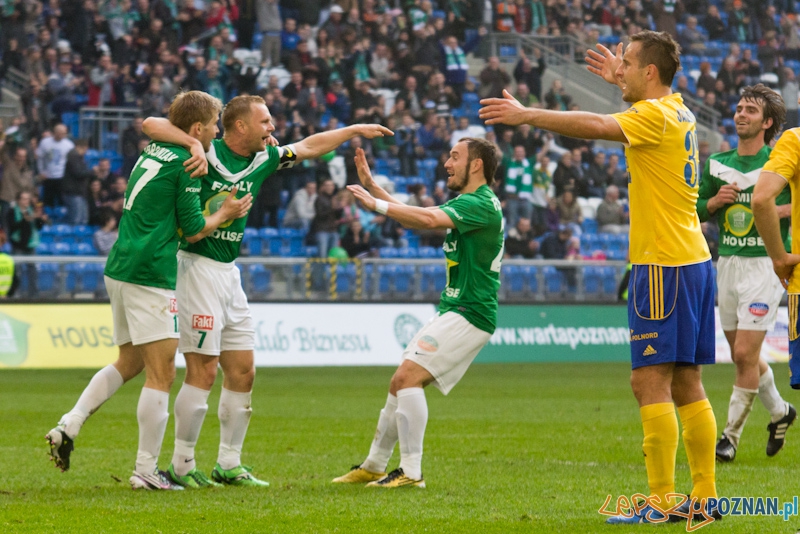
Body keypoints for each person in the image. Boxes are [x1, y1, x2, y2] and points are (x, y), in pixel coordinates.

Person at [480, 31, 719, 522]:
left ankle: (661, 503)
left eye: (628, 63)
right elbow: (638, 109)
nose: (620, 69)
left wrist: (529, 115)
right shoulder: (680, 111)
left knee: (647, 381)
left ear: (649, 73)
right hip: (694, 260)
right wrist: (621, 82)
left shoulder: (651, 116)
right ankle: (704, 498)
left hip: (662, 267)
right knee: (687, 383)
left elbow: (593, 124)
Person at [141, 95, 392, 488]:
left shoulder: (264, 159)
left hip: (228, 273)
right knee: (203, 371)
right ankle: (183, 465)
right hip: (194, 267)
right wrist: (192, 144)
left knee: (243, 371)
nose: (272, 129)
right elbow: (153, 124)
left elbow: (308, 146)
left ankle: (229, 463)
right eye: (266, 122)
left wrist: (353, 130)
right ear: (239, 126)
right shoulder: (204, 150)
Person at [45, 91, 254, 492]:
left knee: (129, 362)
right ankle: (146, 470)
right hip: (150, 272)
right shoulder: (187, 165)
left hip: (120, 266)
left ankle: (70, 423)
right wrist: (225, 213)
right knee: (161, 373)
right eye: (213, 126)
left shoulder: (157, 147)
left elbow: (150, 123)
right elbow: (194, 229)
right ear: (196, 128)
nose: (216, 131)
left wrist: (191, 141)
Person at [333, 138, 503, 488]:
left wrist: (377, 204)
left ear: (476, 165)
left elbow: (425, 218)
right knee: (401, 382)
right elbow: (419, 219)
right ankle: (374, 465)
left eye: (455, 156)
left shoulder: (481, 204)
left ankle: (411, 472)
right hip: (455, 308)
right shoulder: (469, 203)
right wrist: (373, 187)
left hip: (470, 312)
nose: (446, 163)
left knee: (407, 379)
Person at [697, 85, 796, 463]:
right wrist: (712, 202)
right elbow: (693, 210)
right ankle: (780, 412)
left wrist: (771, 211)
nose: (741, 114)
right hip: (728, 263)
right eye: (738, 108)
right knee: (747, 358)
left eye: (750, 110)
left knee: (742, 352)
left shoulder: (781, 162)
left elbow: (792, 204)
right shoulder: (716, 164)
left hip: (765, 264)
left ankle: (730, 438)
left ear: (767, 122)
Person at [36, 124, 75, 207]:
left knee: (62, 200)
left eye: (64, 133)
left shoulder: (69, 145)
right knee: (48, 201)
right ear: (55, 132)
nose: (62, 135)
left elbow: (72, 162)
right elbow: (40, 158)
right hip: (48, 176)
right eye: (61, 133)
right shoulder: (45, 142)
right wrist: (41, 171)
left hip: (62, 177)